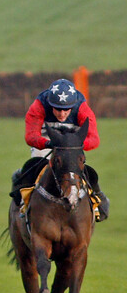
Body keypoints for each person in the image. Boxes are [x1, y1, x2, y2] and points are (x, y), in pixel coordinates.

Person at [9, 78, 108, 221]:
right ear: (50, 104)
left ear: (73, 106)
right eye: (57, 109)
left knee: (84, 171)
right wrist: (48, 143)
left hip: (72, 144)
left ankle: (99, 200)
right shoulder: (39, 106)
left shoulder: (82, 108)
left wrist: (72, 147)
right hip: (47, 140)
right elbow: (30, 136)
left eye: (66, 110)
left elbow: (94, 140)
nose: (62, 114)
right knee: (35, 166)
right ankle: (22, 203)